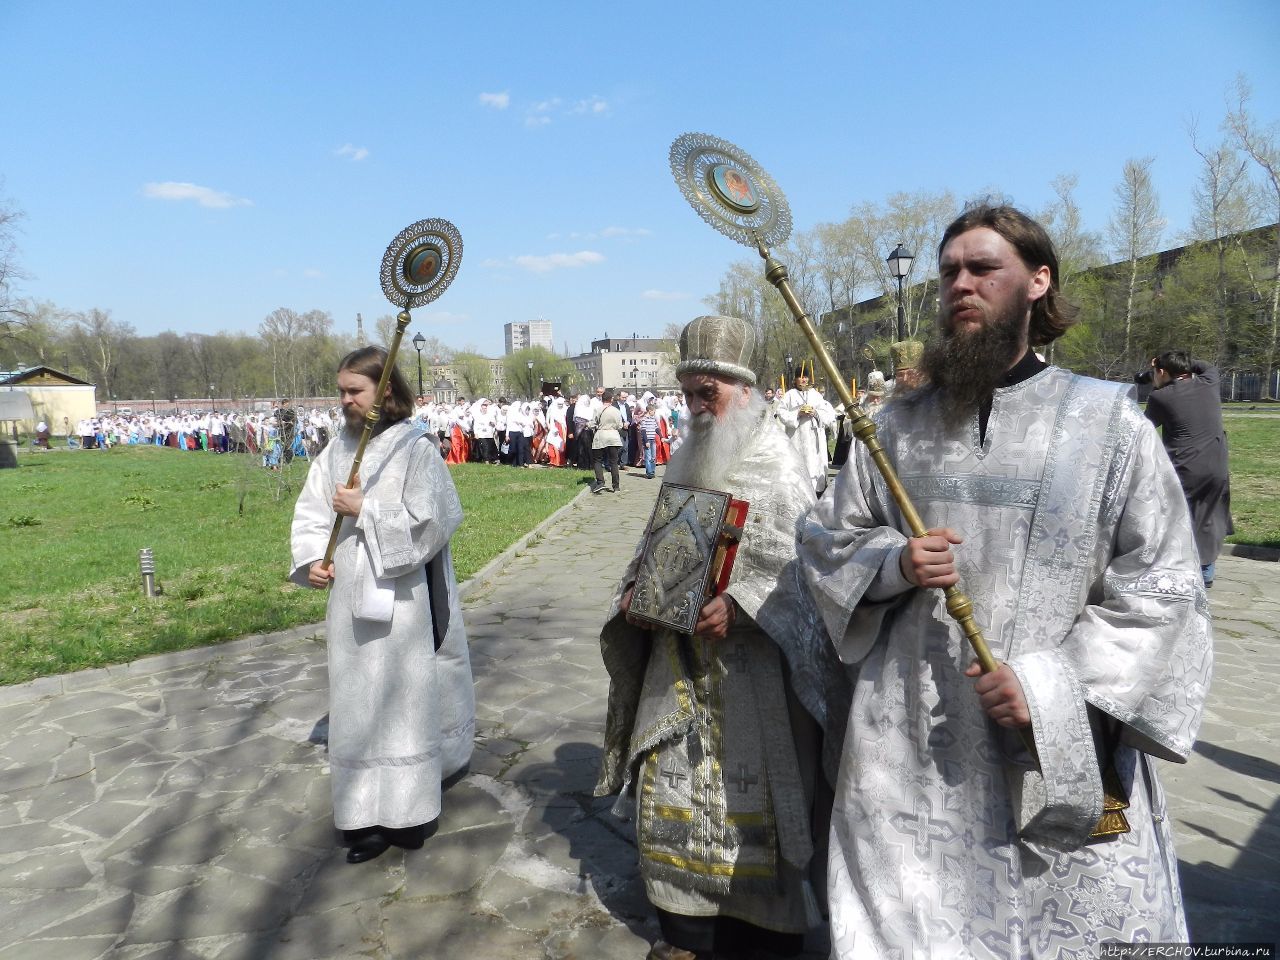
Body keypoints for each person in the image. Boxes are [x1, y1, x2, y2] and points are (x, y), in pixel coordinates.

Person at [797, 205, 1212, 956]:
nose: (962, 284)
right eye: (949, 271)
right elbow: (826, 539)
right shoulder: (892, 428)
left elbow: (1164, 581)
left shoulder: (1109, 423)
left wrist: (1056, 684)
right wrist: (893, 564)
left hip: (1050, 735)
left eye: (984, 268)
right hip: (907, 747)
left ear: (1036, 282)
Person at [595, 315, 848, 960]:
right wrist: (636, 597)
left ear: (743, 389)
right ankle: (685, 932)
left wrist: (740, 606)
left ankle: (757, 934)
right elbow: (661, 542)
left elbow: (799, 560)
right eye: (689, 394)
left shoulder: (776, 459)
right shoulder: (686, 455)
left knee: (752, 809)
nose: (698, 407)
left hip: (753, 675)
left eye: (710, 393)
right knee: (673, 791)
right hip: (679, 670)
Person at [289, 346, 475, 865]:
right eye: (342, 391)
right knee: (355, 702)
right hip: (349, 596)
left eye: (355, 390)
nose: (344, 400)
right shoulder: (334, 451)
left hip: (405, 601)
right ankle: (361, 817)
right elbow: (308, 514)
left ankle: (409, 811)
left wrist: (365, 508)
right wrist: (311, 561)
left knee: (403, 699)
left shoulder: (416, 449)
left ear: (384, 392)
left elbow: (436, 519)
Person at [1143, 351, 1233, 586]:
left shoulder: (1161, 397)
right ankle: (1206, 571)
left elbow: (1145, 426)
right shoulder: (1209, 382)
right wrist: (1180, 363)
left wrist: (1155, 384)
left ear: (1162, 372)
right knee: (1210, 516)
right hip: (1216, 463)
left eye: (1155, 372)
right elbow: (1206, 364)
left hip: (1183, 467)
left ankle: (1175, 570)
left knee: (1174, 517)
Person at [777, 370, 836, 494]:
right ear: (795, 379)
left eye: (805, 377)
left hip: (815, 439)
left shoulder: (816, 395)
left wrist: (816, 413)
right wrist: (798, 413)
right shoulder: (789, 395)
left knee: (815, 466)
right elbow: (781, 412)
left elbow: (827, 413)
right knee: (798, 467)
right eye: (800, 377)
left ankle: (817, 493)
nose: (803, 380)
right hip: (797, 438)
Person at [590, 388, 624, 494]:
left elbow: (592, 423)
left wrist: (588, 425)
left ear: (602, 399)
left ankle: (600, 482)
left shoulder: (598, 410)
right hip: (613, 436)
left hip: (601, 435)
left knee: (597, 460)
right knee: (614, 461)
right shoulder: (616, 410)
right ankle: (616, 486)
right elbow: (620, 425)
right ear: (611, 400)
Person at [276, 398, 297, 464]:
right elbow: (277, 421)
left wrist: (291, 423)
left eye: (288, 403)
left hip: (290, 431)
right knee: (283, 445)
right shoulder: (279, 412)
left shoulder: (291, 412)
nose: (288, 405)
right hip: (282, 430)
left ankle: (287, 459)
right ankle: (281, 458)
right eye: (286, 403)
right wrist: (281, 422)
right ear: (283, 404)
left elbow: (294, 421)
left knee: (288, 445)